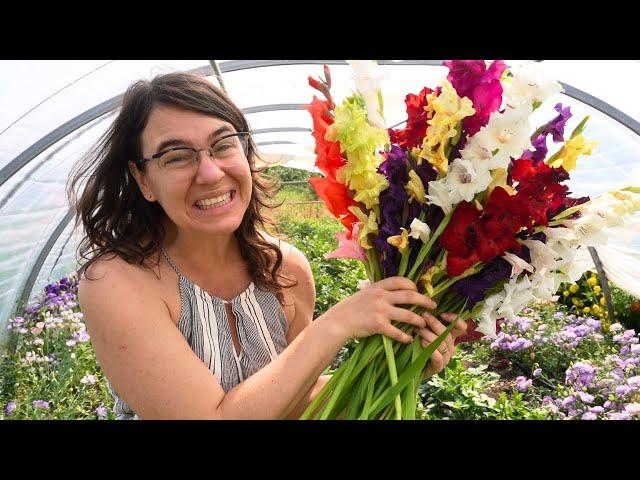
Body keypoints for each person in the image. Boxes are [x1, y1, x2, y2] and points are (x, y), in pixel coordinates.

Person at [68, 72, 467, 420]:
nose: (209, 173)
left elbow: (292, 406)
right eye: (176, 157)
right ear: (143, 180)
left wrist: (398, 364)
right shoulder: (117, 282)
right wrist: (336, 324)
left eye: (223, 144)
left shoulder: (286, 269)